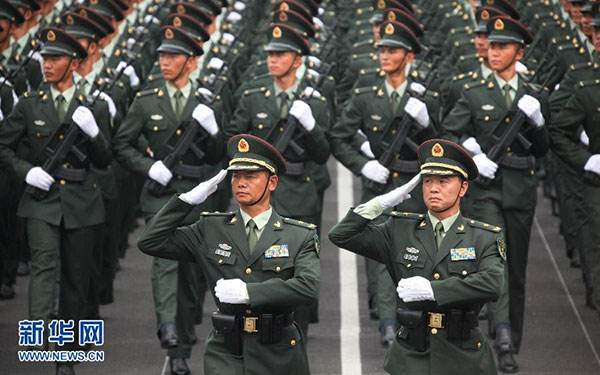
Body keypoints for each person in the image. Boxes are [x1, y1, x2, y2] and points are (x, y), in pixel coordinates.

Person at [138, 134, 320, 375]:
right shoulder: (210, 229)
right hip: (226, 351)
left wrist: (249, 293)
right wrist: (185, 202)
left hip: (279, 352)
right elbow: (151, 242)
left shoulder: (298, 235)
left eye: (251, 176)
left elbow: (308, 287)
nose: (241, 183)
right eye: (236, 176)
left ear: (272, 182)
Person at [329, 139, 505, 375]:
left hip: (463, 356)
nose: (434, 188)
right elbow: (341, 235)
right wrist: (380, 204)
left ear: (463, 188)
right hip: (412, 355)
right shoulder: (399, 229)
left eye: (443, 181)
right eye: (428, 181)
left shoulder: (483, 237)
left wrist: (435, 290)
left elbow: (492, 284)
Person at [0, 27, 113, 375]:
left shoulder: (93, 104)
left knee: (77, 278)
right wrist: (26, 171)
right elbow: (3, 146)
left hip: (82, 202)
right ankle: (37, 342)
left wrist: (94, 132)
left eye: (56, 59)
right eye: (45, 58)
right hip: (41, 202)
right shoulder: (31, 103)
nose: (47, 65)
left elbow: (105, 159)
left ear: (74, 63)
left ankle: (66, 354)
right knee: (44, 267)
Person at [113, 24, 225, 374]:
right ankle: (168, 328)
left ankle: (182, 347)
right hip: (160, 197)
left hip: (197, 199)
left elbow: (223, 154)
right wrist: (149, 168)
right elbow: (122, 144)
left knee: (191, 279)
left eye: (173, 56)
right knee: (164, 263)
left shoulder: (209, 102)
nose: (164, 61)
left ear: (191, 62)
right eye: (161, 55)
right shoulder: (147, 101)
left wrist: (215, 131)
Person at [442, 15, 550, 373]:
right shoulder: (473, 89)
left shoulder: (534, 93)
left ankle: (511, 339)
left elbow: (542, 150)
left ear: (519, 52)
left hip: (520, 190)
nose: (493, 51)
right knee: (496, 261)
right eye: (491, 45)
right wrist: (473, 155)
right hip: (486, 191)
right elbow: (451, 132)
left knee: (516, 268)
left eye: (502, 47)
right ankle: (500, 333)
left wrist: (538, 123)